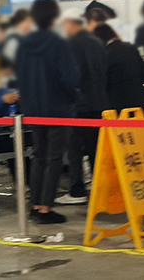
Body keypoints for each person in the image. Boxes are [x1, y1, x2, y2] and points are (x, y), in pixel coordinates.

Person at [15, 0, 80, 224]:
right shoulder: (58, 43)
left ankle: (35, 205)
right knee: (54, 157)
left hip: (32, 109)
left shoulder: (24, 44)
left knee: (38, 156)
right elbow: (70, 78)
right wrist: (74, 97)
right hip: (58, 108)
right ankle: (46, 208)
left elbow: (18, 78)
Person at [57, 12, 108, 205]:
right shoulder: (97, 43)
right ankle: (100, 188)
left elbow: (72, 77)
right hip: (100, 104)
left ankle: (77, 191)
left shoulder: (70, 45)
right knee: (96, 150)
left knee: (75, 151)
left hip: (78, 107)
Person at [94, 22, 144, 113]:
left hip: (118, 103)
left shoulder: (106, 54)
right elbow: (143, 72)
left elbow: (103, 80)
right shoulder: (131, 48)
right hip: (139, 100)